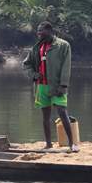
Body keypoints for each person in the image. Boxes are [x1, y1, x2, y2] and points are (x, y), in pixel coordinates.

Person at [23, 21, 79, 152]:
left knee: (62, 112)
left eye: (41, 31)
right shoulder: (37, 48)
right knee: (45, 116)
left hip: (57, 86)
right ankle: (48, 144)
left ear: (49, 31)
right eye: (37, 31)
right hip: (42, 86)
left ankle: (72, 144)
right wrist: (34, 75)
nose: (38, 34)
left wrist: (63, 85)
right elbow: (26, 64)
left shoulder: (63, 45)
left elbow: (66, 66)